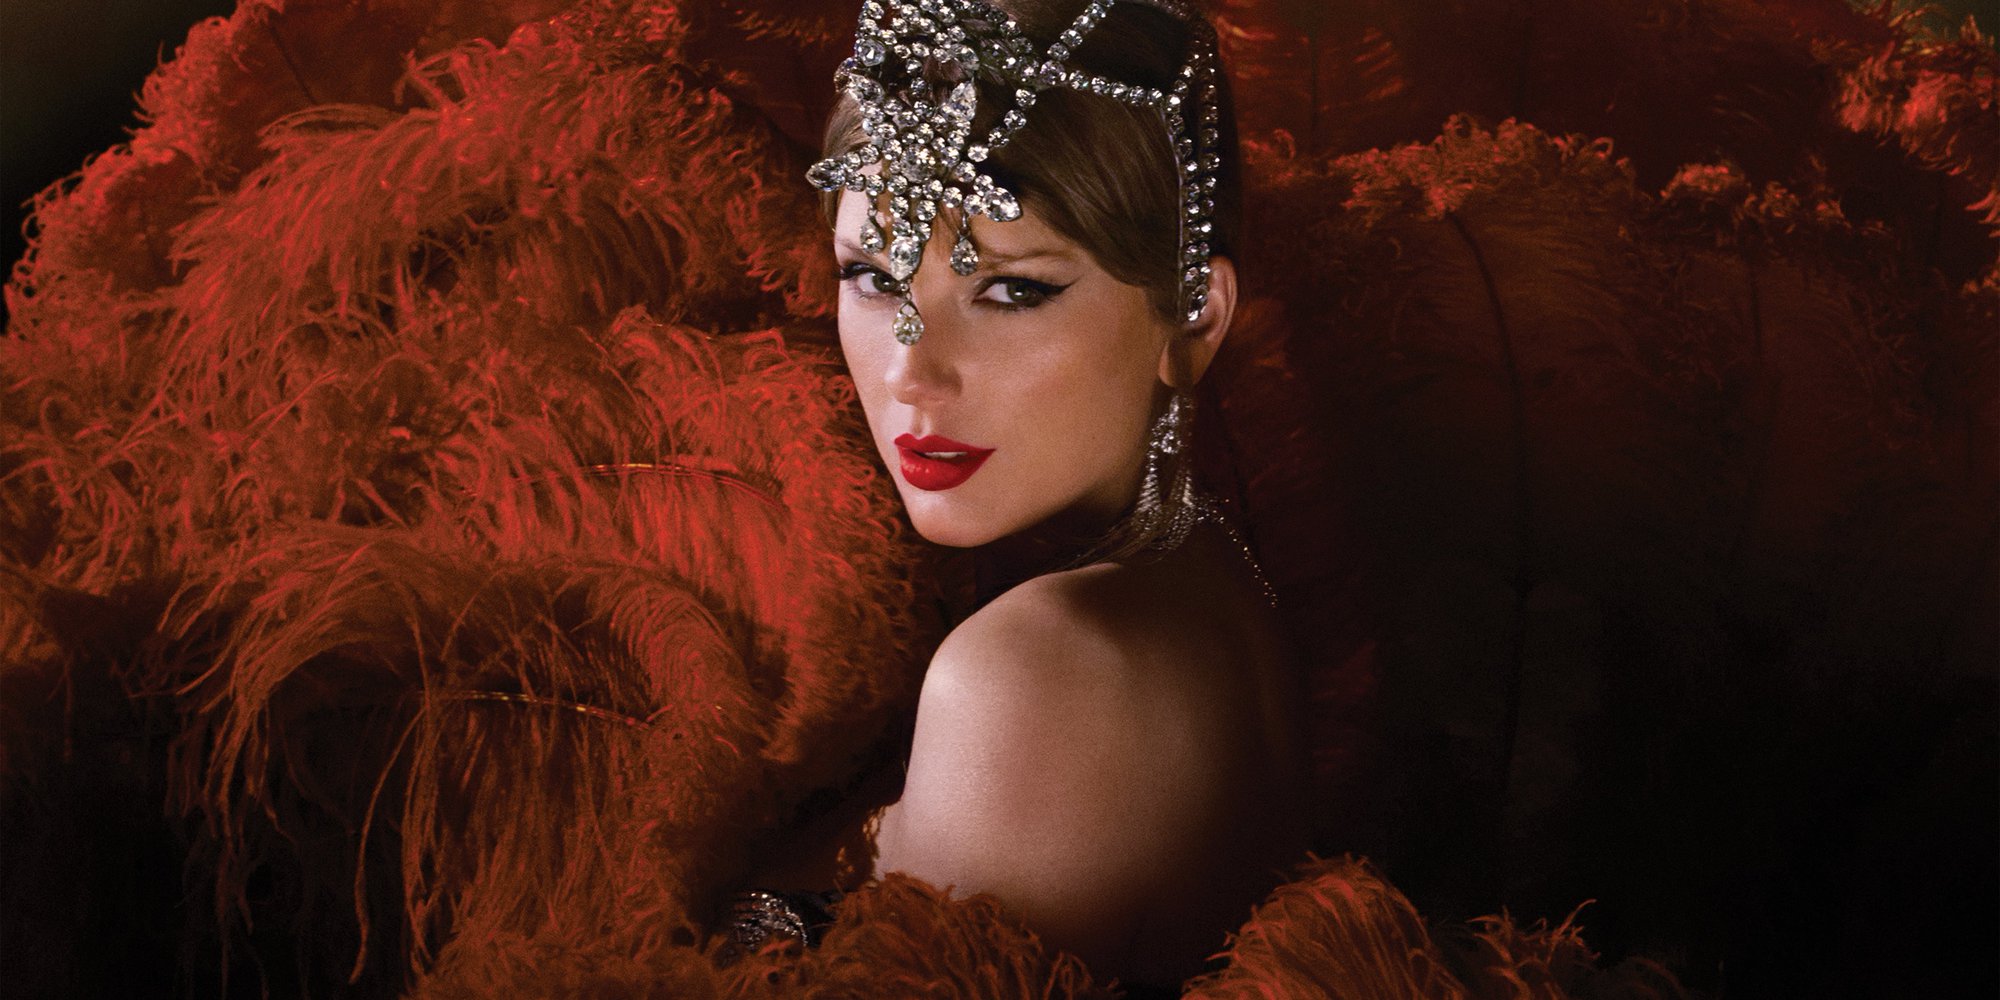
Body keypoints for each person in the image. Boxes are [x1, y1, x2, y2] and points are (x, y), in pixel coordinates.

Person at [749, 0, 1314, 989]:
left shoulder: (1030, 677)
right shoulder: (1211, 581)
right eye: (873, 277)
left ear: (1193, 318)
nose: (911, 375)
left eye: (1010, 291)